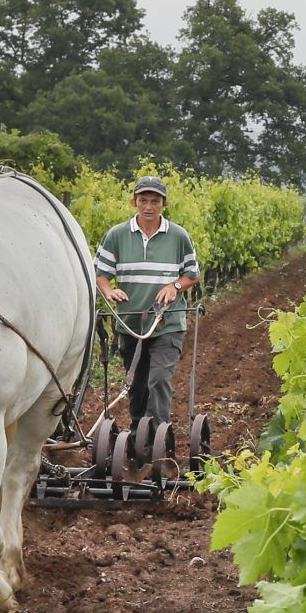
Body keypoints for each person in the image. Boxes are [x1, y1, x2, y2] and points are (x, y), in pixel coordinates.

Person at [94, 175, 201, 433]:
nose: (149, 206)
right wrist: (109, 290)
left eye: (155, 201)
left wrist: (174, 286)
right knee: (137, 385)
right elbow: (101, 275)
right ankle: (138, 432)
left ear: (164, 204)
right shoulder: (117, 235)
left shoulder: (178, 236)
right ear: (134, 202)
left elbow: (191, 275)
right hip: (130, 324)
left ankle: (158, 436)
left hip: (168, 323)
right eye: (143, 200)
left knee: (159, 380)